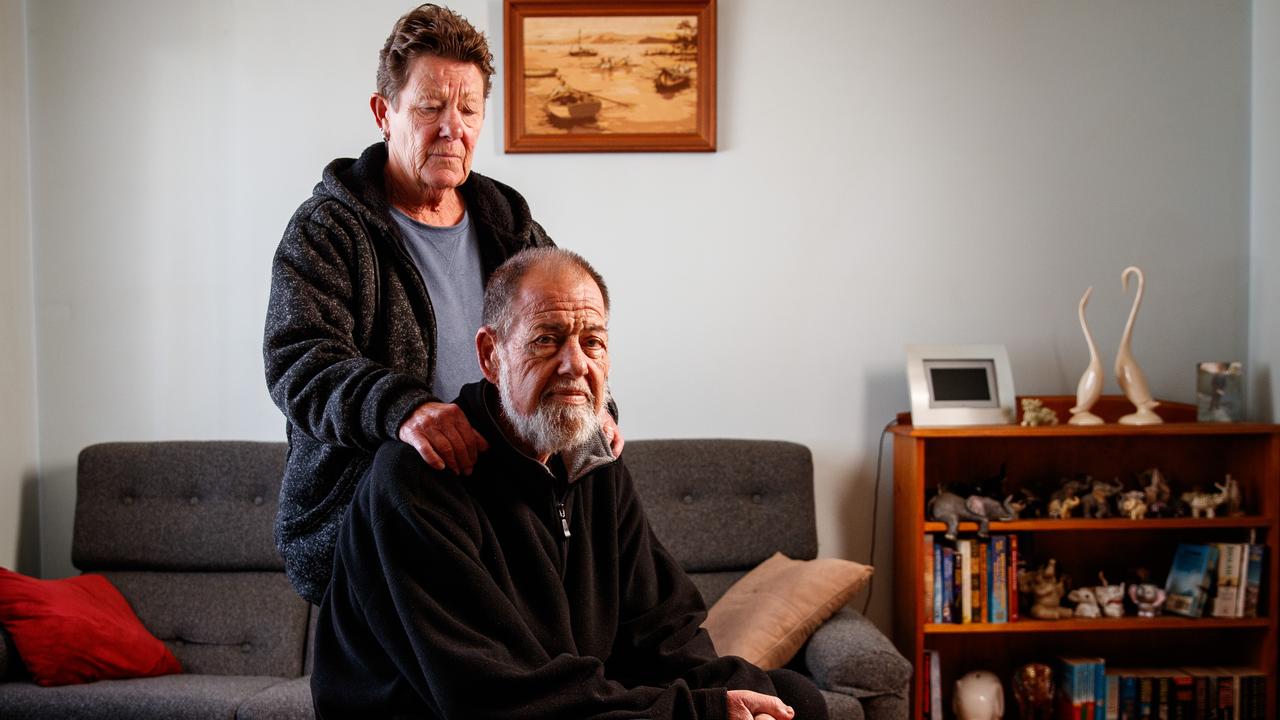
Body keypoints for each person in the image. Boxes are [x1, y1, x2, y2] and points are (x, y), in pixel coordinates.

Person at [311, 248, 828, 719]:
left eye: (593, 342)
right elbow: (493, 696)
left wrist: (736, 700)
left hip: (567, 701)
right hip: (475, 711)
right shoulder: (415, 482)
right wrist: (697, 714)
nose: (575, 364)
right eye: (547, 339)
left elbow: (663, 632)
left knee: (793, 700)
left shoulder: (594, 461)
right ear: (491, 355)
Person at [263, 4, 620, 605]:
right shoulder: (328, 228)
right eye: (430, 107)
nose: (451, 127)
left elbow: (569, 335)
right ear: (385, 112)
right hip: (373, 529)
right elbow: (299, 363)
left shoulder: (512, 226)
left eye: (469, 109)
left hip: (497, 524)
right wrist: (406, 410)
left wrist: (598, 409)